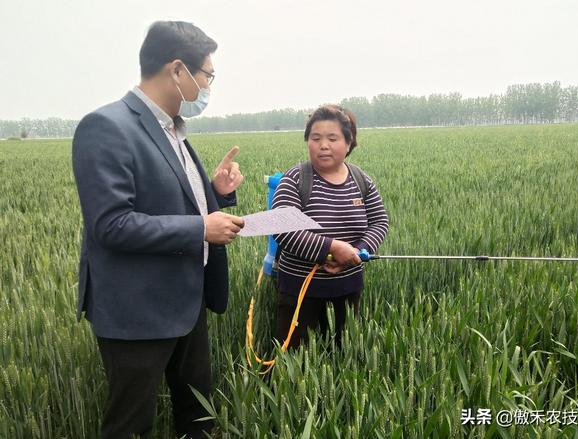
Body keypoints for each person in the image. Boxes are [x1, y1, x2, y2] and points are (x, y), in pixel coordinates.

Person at [72, 21, 244, 439]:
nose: (208, 85)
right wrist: (201, 228)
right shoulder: (107, 127)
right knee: (131, 425)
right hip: (137, 310)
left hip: (188, 301)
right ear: (177, 70)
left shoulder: (174, 130)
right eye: (208, 75)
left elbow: (174, 204)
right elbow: (111, 224)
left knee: (198, 416)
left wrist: (217, 196)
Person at [271, 105, 389, 348]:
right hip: (300, 295)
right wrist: (332, 248)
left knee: (343, 358)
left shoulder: (361, 180)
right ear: (307, 142)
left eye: (332, 138)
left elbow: (379, 220)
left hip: (347, 291)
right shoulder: (295, 179)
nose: (323, 145)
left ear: (349, 143)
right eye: (316, 138)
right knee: (295, 367)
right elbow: (282, 229)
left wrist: (357, 251)